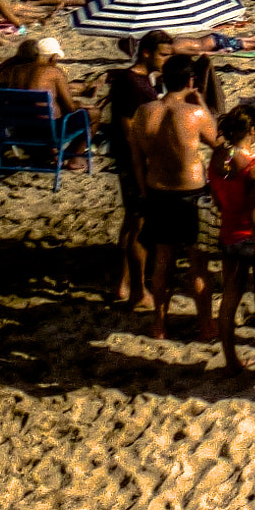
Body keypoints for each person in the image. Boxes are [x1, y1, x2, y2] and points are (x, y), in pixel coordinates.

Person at [127, 54, 220, 342]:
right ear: (191, 80)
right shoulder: (194, 113)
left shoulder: (144, 112)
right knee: (197, 264)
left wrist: (144, 190)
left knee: (163, 261)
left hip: (157, 189)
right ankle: (205, 325)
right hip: (190, 191)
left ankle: (159, 325)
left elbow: (137, 158)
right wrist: (201, 100)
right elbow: (216, 141)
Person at [209, 105, 255, 386]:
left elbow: (217, 201)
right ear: (253, 130)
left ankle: (231, 362)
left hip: (229, 235)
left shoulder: (218, 159)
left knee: (229, 300)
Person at [105, 30, 172, 308]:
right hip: (136, 164)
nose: (167, 60)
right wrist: (142, 173)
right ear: (146, 52)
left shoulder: (136, 81)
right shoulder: (134, 85)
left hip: (131, 161)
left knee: (131, 223)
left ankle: (122, 284)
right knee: (139, 228)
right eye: (163, 54)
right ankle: (137, 292)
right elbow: (131, 133)